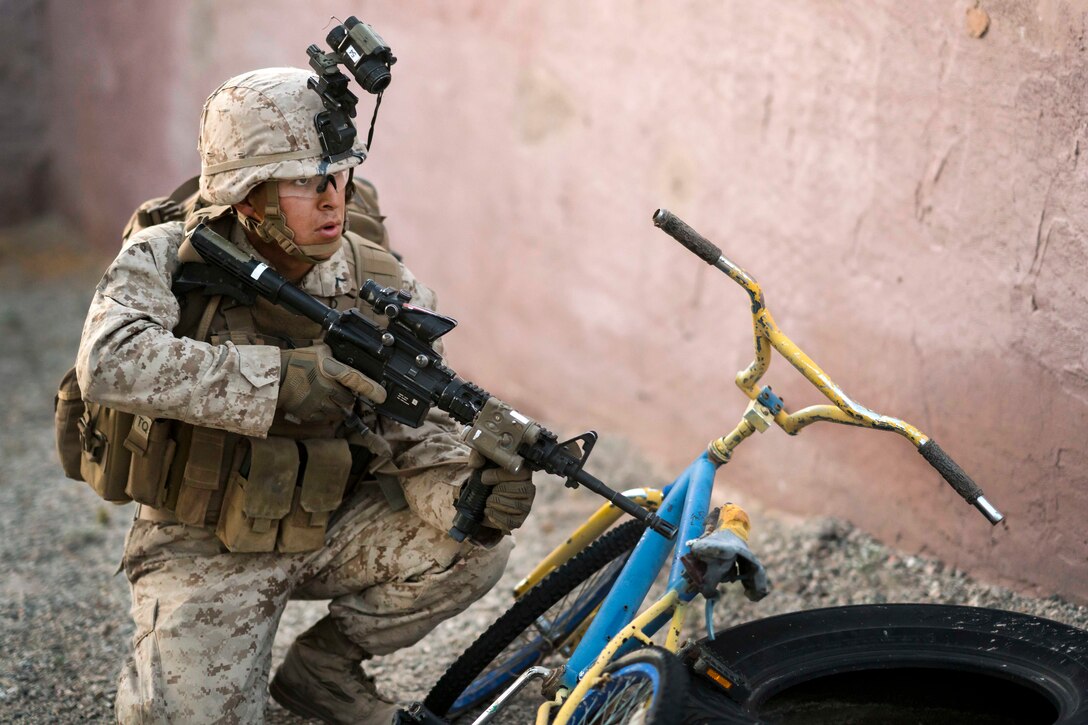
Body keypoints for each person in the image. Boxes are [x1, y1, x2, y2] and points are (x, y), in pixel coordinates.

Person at [75, 66, 535, 724]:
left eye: (340, 176)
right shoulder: (168, 255)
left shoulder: (376, 276)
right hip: (207, 543)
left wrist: (469, 495)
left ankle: (322, 672)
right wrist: (285, 381)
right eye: (304, 180)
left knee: (471, 544)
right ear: (246, 192)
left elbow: (418, 433)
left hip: (329, 522)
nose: (332, 199)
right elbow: (109, 360)